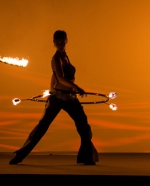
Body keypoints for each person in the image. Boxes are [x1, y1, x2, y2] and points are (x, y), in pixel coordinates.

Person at [9, 30, 98, 165]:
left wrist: (73, 89)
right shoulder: (55, 58)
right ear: (54, 42)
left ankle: (86, 157)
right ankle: (20, 155)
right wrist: (77, 87)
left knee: (83, 125)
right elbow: (60, 79)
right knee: (42, 126)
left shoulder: (65, 56)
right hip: (57, 98)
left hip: (70, 98)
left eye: (62, 40)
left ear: (66, 40)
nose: (60, 43)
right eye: (57, 41)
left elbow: (59, 77)